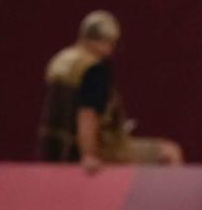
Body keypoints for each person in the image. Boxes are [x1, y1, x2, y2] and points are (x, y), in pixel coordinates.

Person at [38, 10, 183, 174]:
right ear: (105, 41)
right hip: (93, 150)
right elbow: (87, 114)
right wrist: (88, 155)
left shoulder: (59, 61)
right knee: (170, 152)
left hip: (52, 149)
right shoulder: (93, 70)